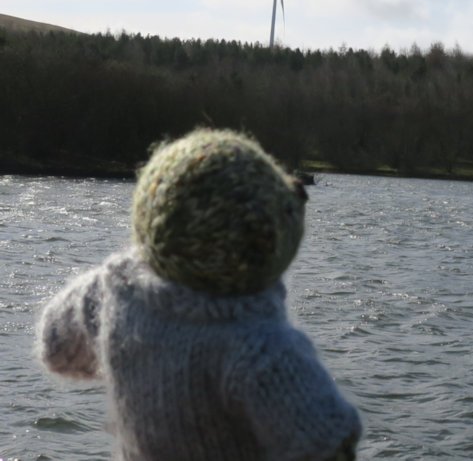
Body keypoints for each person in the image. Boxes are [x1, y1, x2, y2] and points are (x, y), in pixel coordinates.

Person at [36, 128, 362, 460]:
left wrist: (132, 359)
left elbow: (56, 349)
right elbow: (326, 445)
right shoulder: (261, 347)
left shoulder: (113, 291)